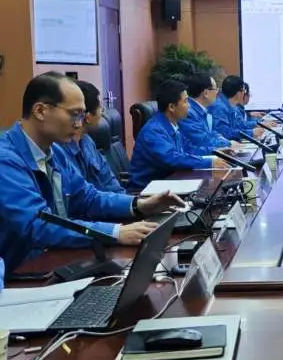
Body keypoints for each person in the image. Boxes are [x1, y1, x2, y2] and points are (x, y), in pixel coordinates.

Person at [0, 72, 184, 273]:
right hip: (20, 275)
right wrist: (113, 233)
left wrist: (139, 205)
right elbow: (37, 225)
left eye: (82, 115)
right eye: (74, 114)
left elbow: (88, 197)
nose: (80, 123)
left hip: (58, 260)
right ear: (40, 111)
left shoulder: (55, 151)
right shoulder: (6, 159)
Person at [130, 79, 224, 189]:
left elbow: (189, 149)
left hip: (169, 184)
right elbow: (172, 159)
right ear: (171, 107)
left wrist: (218, 152)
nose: (189, 106)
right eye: (186, 101)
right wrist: (209, 163)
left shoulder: (172, 125)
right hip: (146, 191)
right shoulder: (153, 131)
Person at [58, 80, 124, 193]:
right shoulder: (59, 150)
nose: (102, 112)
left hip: (107, 201)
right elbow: (84, 196)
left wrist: (130, 201)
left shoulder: (88, 141)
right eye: (100, 108)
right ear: (87, 117)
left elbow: (108, 180)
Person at [179, 72, 233, 155]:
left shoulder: (200, 110)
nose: (217, 93)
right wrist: (228, 143)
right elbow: (203, 142)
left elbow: (210, 133)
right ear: (206, 93)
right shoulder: (188, 113)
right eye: (216, 89)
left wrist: (223, 140)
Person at [209, 75, 263, 140]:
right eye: (243, 91)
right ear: (239, 93)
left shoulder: (231, 106)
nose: (244, 94)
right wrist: (251, 132)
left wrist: (258, 124)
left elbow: (239, 125)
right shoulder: (219, 107)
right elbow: (224, 133)